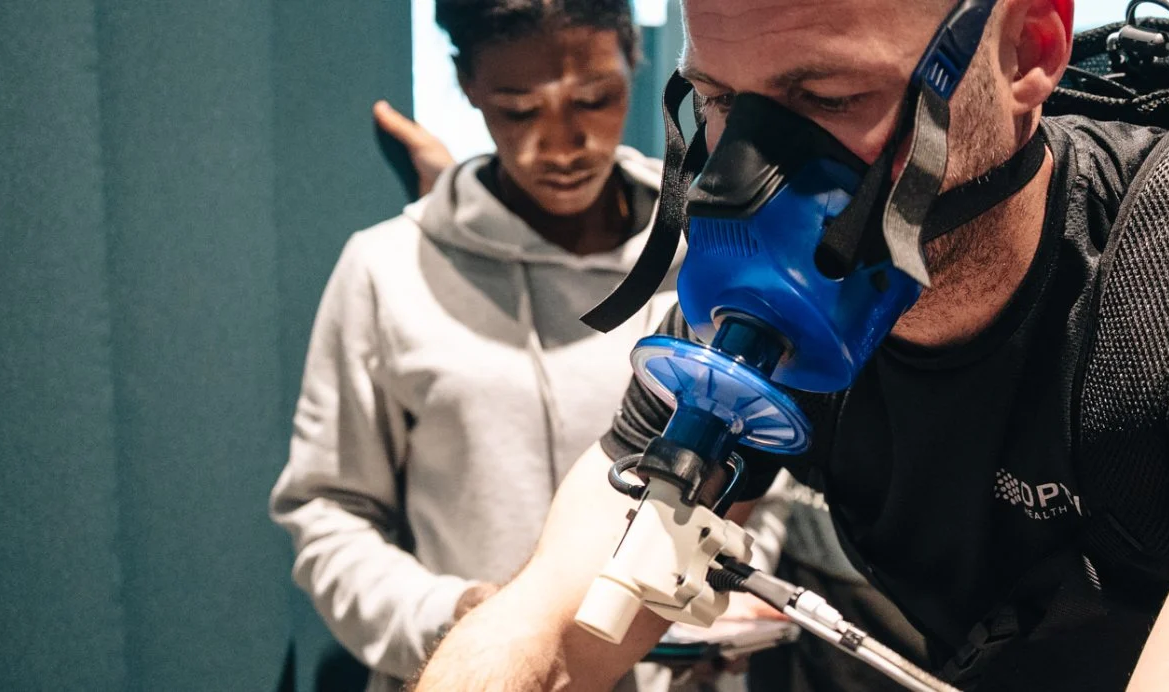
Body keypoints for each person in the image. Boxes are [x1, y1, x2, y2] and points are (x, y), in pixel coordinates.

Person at [415, 1, 1169, 690]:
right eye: (725, 102)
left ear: (1029, 52)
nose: (750, 178)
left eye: (828, 99)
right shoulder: (759, 319)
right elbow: (555, 621)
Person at [268, 2, 787, 691]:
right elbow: (330, 513)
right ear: (468, 84)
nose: (562, 144)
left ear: (636, 60)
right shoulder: (385, 270)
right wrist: (460, 617)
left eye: (595, 100)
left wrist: (716, 598)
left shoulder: (709, 259)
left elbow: (761, 471)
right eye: (518, 110)